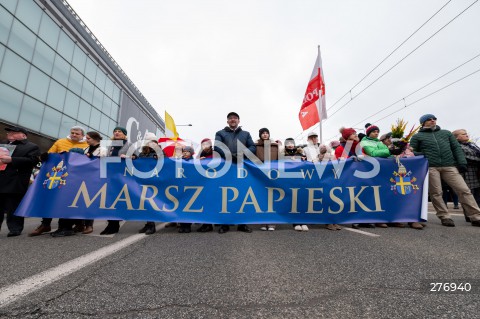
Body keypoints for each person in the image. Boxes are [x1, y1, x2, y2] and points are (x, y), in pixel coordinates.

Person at [410, 114, 480, 227]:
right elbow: (412, 152)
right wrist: (423, 154)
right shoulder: (417, 137)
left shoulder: (446, 133)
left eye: (434, 119)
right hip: (431, 167)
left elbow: (456, 148)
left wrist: (462, 162)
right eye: (429, 119)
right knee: (436, 192)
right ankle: (444, 216)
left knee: (464, 190)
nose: (432, 120)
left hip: (450, 166)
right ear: (423, 123)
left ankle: (476, 216)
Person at [29, 126, 88, 237]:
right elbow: (51, 154)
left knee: (66, 201)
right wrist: (46, 156)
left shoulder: (87, 146)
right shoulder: (60, 142)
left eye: (77, 133)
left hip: (75, 178)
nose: (74, 135)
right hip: (57, 175)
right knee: (50, 199)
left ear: (82, 135)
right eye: (72, 133)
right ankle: (45, 224)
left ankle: (68, 226)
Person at [214, 111, 256, 234]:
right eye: (230, 118)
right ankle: (225, 223)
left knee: (243, 195)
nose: (233, 120)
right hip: (226, 167)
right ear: (227, 121)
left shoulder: (246, 134)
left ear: (239, 121)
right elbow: (217, 147)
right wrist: (231, 156)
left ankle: (243, 223)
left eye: (235, 118)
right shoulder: (220, 133)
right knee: (225, 195)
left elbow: (252, 147)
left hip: (241, 167)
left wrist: (241, 155)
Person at [0, 126, 40, 237]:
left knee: (14, 206)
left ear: (23, 135)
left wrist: (12, 160)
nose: (10, 133)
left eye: (14, 132)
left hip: (16, 180)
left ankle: (15, 229)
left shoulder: (32, 146)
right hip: (1, 177)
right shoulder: (3, 144)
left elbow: (33, 160)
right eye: (9, 132)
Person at [100, 127, 134, 235]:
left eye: (119, 131)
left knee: (117, 200)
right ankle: (111, 224)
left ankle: (114, 225)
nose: (116, 133)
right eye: (115, 131)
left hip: (122, 176)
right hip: (111, 175)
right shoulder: (112, 144)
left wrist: (128, 156)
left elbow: (136, 157)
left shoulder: (128, 144)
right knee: (110, 199)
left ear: (124, 134)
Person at [137, 132, 163, 235]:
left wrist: (160, 158)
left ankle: (152, 225)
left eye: (153, 142)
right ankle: (148, 224)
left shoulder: (160, 152)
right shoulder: (142, 153)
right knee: (145, 203)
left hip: (155, 181)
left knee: (151, 202)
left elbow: (167, 163)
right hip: (144, 180)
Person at [453, 129, 480, 222]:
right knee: (469, 194)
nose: (466, 135)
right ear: (457, 137)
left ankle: (476, 214)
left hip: (476, 172)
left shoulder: (472, 144)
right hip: (467, 173)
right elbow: (468, 158)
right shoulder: (457, 146)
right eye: (463, 134)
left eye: (466, 133)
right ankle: (470, 216)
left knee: (477, 194)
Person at [255, 128, 279, 231]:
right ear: (260, 135)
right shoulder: (255, 146)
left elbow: (279, 160)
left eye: (266, 133)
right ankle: (263, 222)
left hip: (273, 174)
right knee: (262, 198)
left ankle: (272, 222)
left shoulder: (275, 146)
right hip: (260, 174)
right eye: (263, 133)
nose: (265, 135)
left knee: (272, 198)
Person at [196, 138, 215, 232]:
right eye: (203, 145)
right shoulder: (200, 154)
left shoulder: (216, 153)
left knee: (214, 201)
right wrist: (199, 160)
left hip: (215, 180)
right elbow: (194, 166)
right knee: (205, 201)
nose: (205, 146)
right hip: (203, 181)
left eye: (207, 144)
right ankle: (207, 224)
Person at [178, 146, 195, 233]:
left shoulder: (194, 162)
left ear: (191, 153)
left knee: (188, 207)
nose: (184, 153)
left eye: (187, 151)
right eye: (183, 151)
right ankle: (182, 225)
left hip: (190, 186)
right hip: (181, 186)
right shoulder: (178, 161)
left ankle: (187, 225)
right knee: (180, 206)